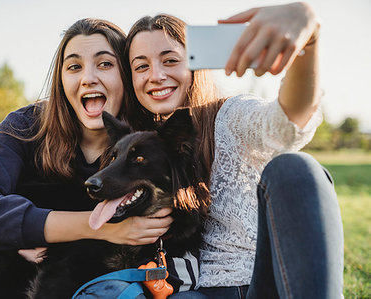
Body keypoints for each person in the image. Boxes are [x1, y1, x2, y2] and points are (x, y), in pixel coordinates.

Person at [125, 2, 344, 298]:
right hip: (200, 292)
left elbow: (286, 122)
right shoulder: (137, 146)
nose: (156, 75)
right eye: (141, 66)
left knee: (294, 167)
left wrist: (308, 43)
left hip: (264, 282)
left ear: (193, 64)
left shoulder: (228, 115)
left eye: (170, 60)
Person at [0, 17, 172, 295]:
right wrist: (97, 229)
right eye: (74, 67)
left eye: (105, 64)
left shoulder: (151, 145)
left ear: (126, 74)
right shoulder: (26, 126)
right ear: (61, 80)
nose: (88, 78)